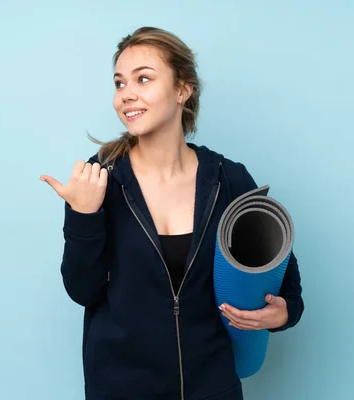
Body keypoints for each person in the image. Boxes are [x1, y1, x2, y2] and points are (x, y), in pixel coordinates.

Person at [40, 26, 304, 400]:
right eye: (119, 83)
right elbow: (83, 290)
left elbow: (285, 280)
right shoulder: (99, 177)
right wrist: (83, 215)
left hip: (213, 387)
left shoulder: (228, 179)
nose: (126, 95)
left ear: (183, 90)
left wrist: (283, 314)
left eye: (143, 79)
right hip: (120, 388)